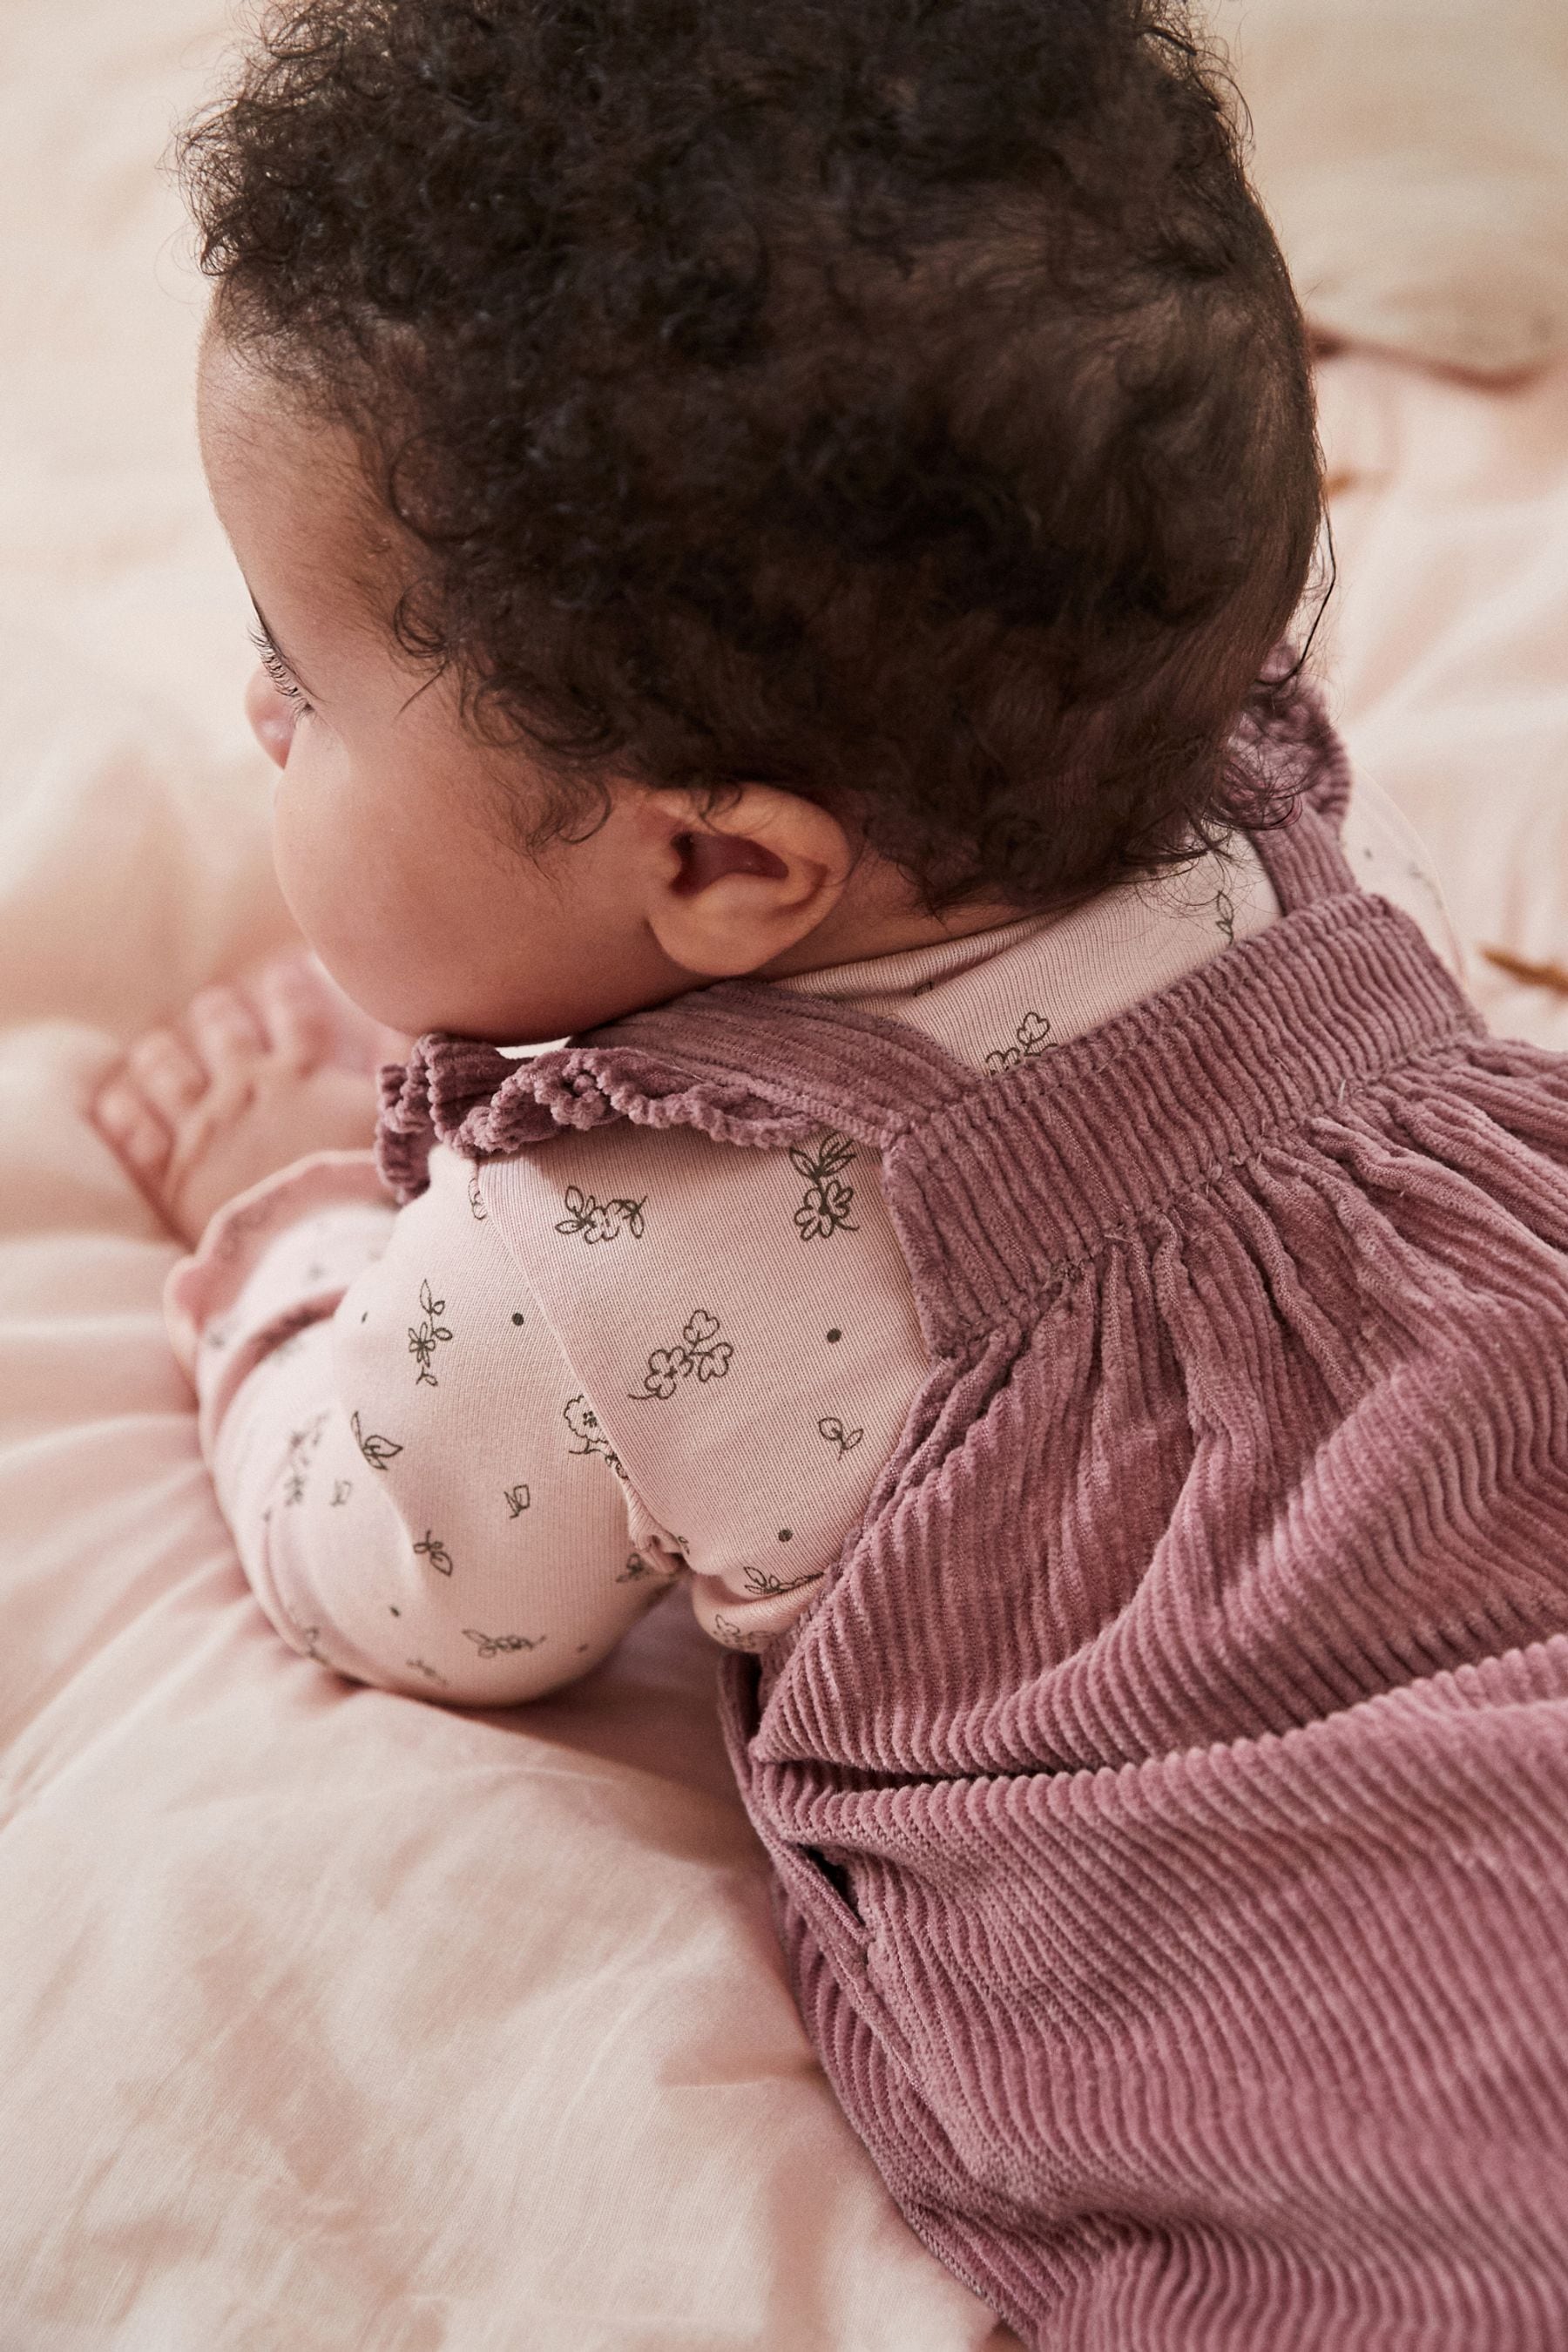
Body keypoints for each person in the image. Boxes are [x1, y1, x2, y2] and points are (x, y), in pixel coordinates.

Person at [91, 1, 1568, 2339]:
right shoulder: (1279, 805)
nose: (253, 709)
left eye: (299, 671)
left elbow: (389, 1566)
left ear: (723, 860)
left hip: (1288, 1910)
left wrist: (289, 1219)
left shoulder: (606, 1234)